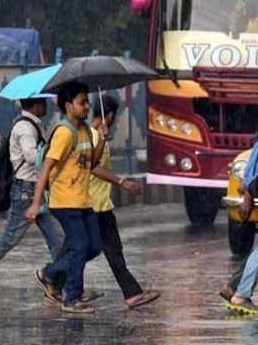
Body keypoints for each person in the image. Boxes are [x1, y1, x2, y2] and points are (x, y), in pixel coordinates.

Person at [0, 97, 64, 304]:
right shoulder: (26, 128)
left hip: (34, 192)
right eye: (43, 102)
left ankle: (59, 284)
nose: (46, 105)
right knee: (9, 238)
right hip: (26, 192)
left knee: (58, 240)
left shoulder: (31, 125)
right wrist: (53, 152)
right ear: (35, 105)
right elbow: (30, 156)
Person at [29, 81, 107, 314]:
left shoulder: (83, 130)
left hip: (83, 200)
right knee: (80, 247)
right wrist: (35, 203)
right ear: (68, 105)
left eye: (87, 102)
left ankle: (51, 273)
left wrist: (101, 138)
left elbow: (91, 163)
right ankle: (72, 298)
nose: (87, 106)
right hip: (64, 201)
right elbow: (46, 168)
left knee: (93, 246)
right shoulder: (64, 133)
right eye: (82, 102)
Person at [89, 95, 160, 309]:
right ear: (109, 115)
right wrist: (122, 182)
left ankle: (56, 280)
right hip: (96, 203)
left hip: (99, 202)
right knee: (105, 249)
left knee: (96, 248)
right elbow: (92, 166)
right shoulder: (93, 136)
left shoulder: (97, 136)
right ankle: (52, 275)